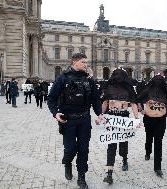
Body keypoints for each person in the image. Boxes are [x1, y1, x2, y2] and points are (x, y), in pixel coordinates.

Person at [47, 53, 103, 189]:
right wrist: (55, 113)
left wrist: (99, 113)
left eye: (86, 62)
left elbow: (95, 99)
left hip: (84, 119)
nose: (86, 64)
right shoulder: (63, 78)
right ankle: (67, 163)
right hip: (68, 120)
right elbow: (51, 98)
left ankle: (81, 177)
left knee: (84, 150)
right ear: (74, 62)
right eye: (83, 62)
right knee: (70, 149)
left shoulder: (89, 80)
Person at [101, 68, 139, 184]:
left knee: (123, 141)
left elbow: (133, 104)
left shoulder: (128, 88)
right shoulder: (109, 87)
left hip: (123, 118)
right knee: (111, 144)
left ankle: (124, 159)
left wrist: (136, 119)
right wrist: (102, 115)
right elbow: (105, 102)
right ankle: (109, 172)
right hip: (112, 117)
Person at [137, 74, 167, 178]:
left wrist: (166, 109)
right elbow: (137, 99)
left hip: (161, 119)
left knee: (158, 141)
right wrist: (141, 110)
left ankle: (158, 167)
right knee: (149, 137)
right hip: (149, 118)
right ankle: (148, 152)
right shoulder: (148, 90)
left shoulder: (166, 92)